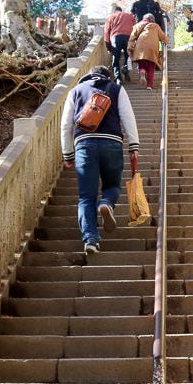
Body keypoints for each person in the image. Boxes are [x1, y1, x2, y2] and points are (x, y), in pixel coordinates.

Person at [61, 65, 141, 254]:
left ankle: (90, 240)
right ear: (107, 77)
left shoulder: (75, 91)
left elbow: (65, 125)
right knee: (112, 186)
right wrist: (133, 146)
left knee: (86, 196)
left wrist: (68, 154)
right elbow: (128, 117)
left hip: (84, 145)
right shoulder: (116, 89)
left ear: (87, 76)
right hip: (112, 143)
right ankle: (106, 203)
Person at [127, 13, 169, 90]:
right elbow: (163, 37)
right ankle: (149, 85)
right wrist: (166, 42)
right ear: (153, 19)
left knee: (142, 63)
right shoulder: (155, 26)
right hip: (152, 48)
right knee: (151, 67)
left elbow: (132, 38)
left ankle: (142, 72)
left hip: (140, 48)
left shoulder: (137, 25)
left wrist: (129, 48)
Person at [103, 4, 136, 82]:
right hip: (128, 37)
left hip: (115, 38)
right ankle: (125, 67)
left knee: (116, 58)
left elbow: (106, 32)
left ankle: (117, 77)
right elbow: (135, 27)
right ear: (121, 10)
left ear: (114, 11)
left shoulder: (110, 17)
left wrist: (108, 47)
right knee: (128, 55)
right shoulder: (129, 15)